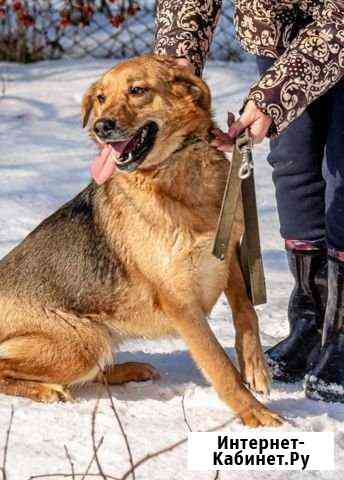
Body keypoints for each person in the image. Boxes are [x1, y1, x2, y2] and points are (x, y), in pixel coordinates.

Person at [151, 1, 344, 402]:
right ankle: (311, 324)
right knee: (293, 161)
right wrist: (175, 69)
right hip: (278, 33)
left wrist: (275, 95)